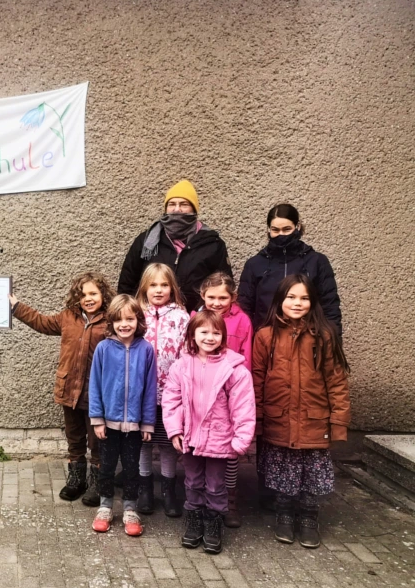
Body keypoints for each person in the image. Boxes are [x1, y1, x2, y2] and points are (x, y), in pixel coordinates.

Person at [253, 274, 350, 549]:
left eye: (304, 298)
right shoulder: (265, 336)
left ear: (313, 301)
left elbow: (336, 380)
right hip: (279, 419)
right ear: (280, 300)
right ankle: (284, 514)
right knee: (283, 471)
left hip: (314, 420)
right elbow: (257, 380)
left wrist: (339, 420)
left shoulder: (324, 335)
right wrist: (258, 420)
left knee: (312, 474)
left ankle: (309, 516)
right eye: (291, 297)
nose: (297, 303)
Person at [8, 272, 114, 506]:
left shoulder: (111, 321)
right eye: (83, 294)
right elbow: (42, 322)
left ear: (103, 295)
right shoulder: (68, 317)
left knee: (98, 441)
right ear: (76, 298)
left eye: (93, 293)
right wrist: (17, 307)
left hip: (97, 394)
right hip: (69, 390)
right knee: (74, 438)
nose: (88, 298)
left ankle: (98, 482)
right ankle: (77, 479)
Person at [163, 311, 256, 554]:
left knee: (216, 485)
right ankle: (194, 519)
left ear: (223, 336)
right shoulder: (181, 365)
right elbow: (171, 400)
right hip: (191, 438)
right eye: (204, 332)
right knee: (192, 481)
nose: (210, 337)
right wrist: (174, 430)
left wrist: (241, 439)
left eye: (216, 332)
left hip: (219, 440)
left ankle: (213, 521)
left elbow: (243, 406)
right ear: (192, 335)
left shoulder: (234, 369)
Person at [88, 295, 157, 536]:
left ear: (139, 320)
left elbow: (150, 388)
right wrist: (97, 418)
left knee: (131, 469)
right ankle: (105, 506)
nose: (124, 324)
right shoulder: (103, 348)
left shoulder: (146, 350)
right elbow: (95, 385)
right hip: (107, 423)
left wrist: (148, 423)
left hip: (135, 425)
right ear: (111, 321)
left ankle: (130, 509)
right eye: (118, 320)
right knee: (106, 467)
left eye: (130, 318)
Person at [192, 272, 253, 528]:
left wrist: (240, 389)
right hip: (204, 394)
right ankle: (201, 499)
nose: (217, 302)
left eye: (223, 297)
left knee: (228, 453)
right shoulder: (196, 318)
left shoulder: (242, 321)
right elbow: (191, 351)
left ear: (233, 297)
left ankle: (229, 499)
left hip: (231, 395)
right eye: (212, 297)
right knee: (204, 452)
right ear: (202, 296)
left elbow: (246, 357)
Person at [117, 179, 232, 311]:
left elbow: (224, 284)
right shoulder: (146, 241)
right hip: (149, 320)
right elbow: (127, 281)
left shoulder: (212, 243)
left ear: (193, 209)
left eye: (183, 204)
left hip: (197, 321)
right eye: (171, 204)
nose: (177, 209)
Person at [134, 264, 189, 518]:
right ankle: (144, 489)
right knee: (142, 442)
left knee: (168, 444)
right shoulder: (136, 313)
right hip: (141, 393)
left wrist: (181, 390)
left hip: (170, 395)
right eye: (153, 285)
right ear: (145, 286)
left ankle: (169, 490)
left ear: (172, 288)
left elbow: (186, 355)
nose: (158, 290)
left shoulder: (181, 317)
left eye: (164, 285)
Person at [238, 203, 342, 334]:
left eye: (287, 229)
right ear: (268, 230)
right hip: (266, 340)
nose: (281, 234)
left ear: (297, 227)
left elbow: (330, 305)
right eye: (275, 230)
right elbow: (244, 307)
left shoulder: (317, 261)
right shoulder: (255, 264)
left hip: (309, 340)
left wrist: (332, 340)